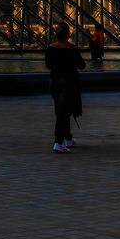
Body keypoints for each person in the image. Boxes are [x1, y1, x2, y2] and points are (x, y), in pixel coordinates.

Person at [44, 23, 85, 153]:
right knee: (64, 113)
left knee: (61, 110)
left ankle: (68, 138)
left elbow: (48, 65)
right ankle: (58, 142)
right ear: (68, 34)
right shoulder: (72, 48)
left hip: (55, 82)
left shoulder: (50, 48)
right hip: (69, 83)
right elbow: (82, 65)